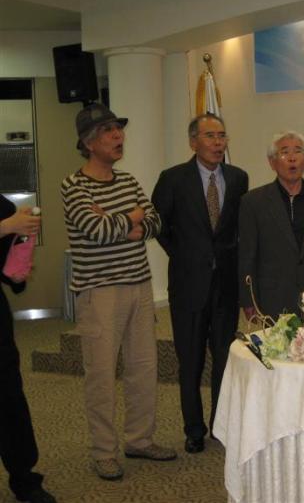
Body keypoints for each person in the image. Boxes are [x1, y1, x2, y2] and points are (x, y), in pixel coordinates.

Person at [61, 103, 176, 481]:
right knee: (100, 376)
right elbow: (97, 231)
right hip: (99, 293)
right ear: (88, 142)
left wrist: (123, 222)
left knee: (144, 369)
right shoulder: (74, 186)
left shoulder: (127, 181)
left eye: (118, 129)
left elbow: (155, 222)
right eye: (108, 131)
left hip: (138, 287)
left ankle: (140, 440)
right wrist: (131, 218)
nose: (118, 136)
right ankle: (104, 452)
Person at [152, 114, 248, 454]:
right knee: (190, 361)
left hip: (225, 285)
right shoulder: (172, 178)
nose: (218, 142)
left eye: (222, 135)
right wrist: (184, 255)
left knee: (224, 359)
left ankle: (220, 424)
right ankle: (193, 429)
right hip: (188, 285)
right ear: (193, 141)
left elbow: (237, 227)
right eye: (210, 136)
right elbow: (159, 224)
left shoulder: (238, 178)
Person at [0, 203, 56, 503]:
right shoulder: (7, 217)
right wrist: (7, 226)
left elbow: (7, 265)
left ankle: (23, 477)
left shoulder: (2, 206)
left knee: (9, 397)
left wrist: (16, 274)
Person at [238, 131, 304, 320]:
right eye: (285, 152)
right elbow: (247, 255)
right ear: (272, 162)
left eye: (298, 151)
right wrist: (248, 299)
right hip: (273, 297)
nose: (292, 158)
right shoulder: (253, 201)